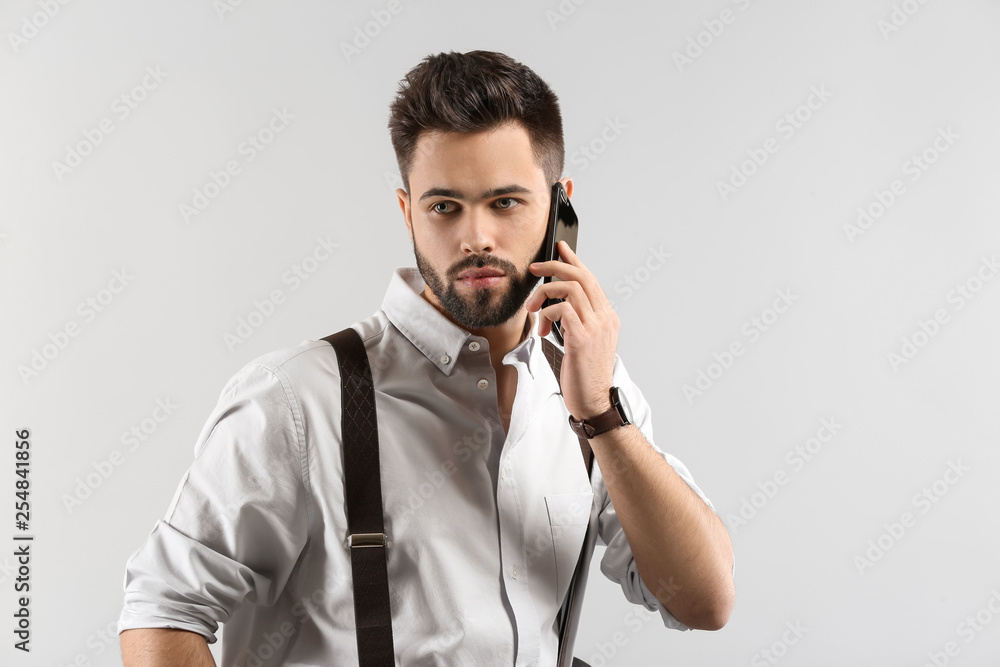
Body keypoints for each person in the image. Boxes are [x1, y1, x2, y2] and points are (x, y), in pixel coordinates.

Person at [118, 49, 735, 666]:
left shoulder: (590, 387)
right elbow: (162, 612)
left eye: (506, 203)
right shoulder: (294, 400)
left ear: (559, 208)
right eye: (445, 207)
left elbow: (704, 603)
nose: (476, 238)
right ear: (407, 210)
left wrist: (601, 414)